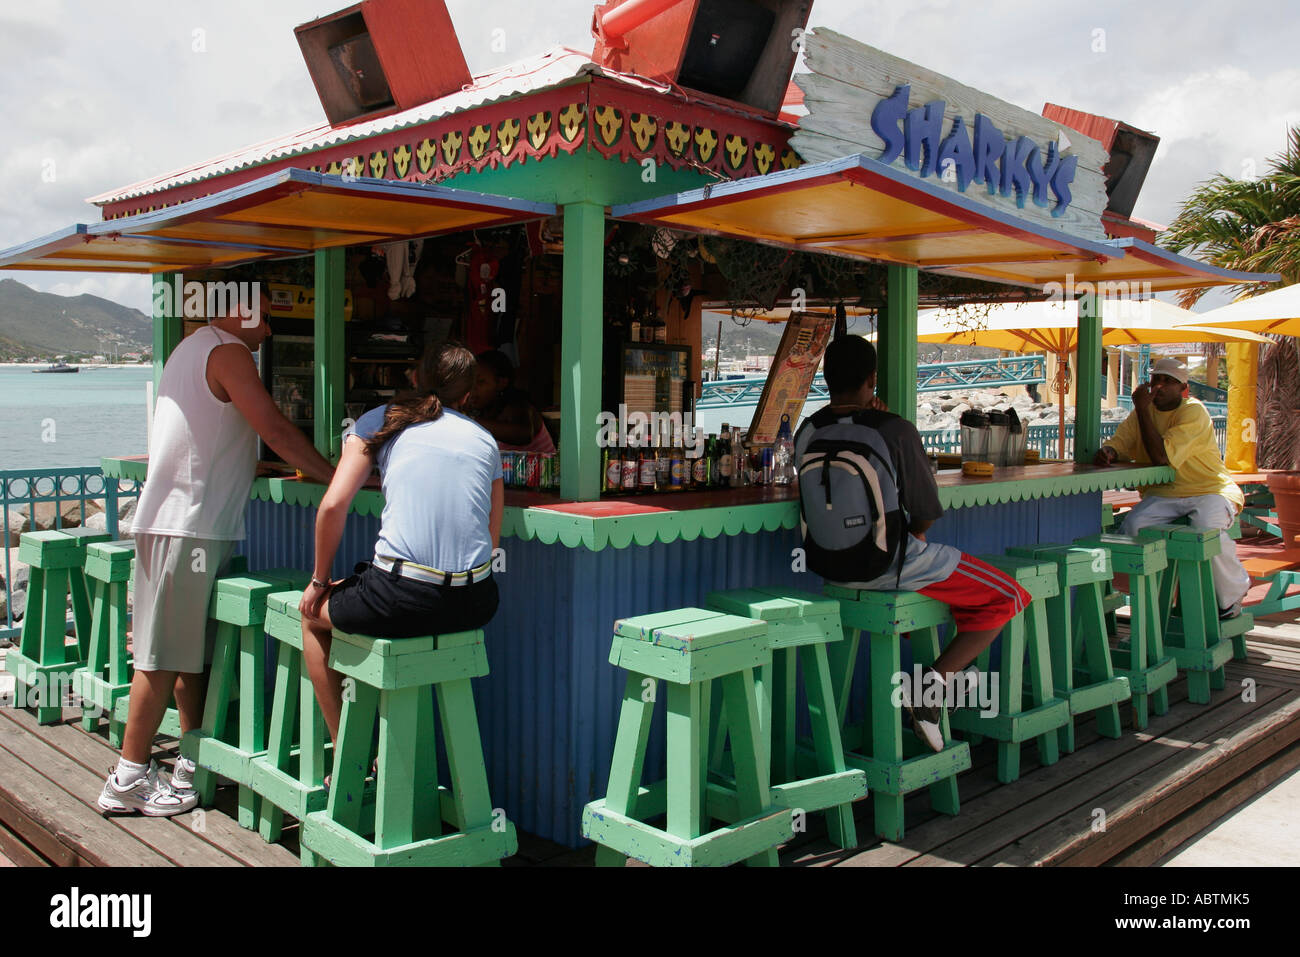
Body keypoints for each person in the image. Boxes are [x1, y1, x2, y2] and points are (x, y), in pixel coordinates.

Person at [99, 287, 334, 816]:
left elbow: (215, 438)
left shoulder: (191, 347)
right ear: (240, 308)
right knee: (160, 658)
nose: (270, 330)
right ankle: (127, 779)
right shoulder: (227, 351)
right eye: (268, 315)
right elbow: (273, 427)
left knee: (184, 654)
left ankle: (189, 759)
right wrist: (338, 476)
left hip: (185, 526)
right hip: (187, 526)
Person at [793, 335, 1030, 752]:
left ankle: (941, 677)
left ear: (826, 379)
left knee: (942, 589)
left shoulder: (806, 431)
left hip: (828, 571)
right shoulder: (895, 429)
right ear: (873, 379)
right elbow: (925, 513)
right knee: (1006, 595)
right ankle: (929, 692)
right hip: (889, 566)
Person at [298, 342, 503, 747]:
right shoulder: (486, 440)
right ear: (467, 395)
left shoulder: (382, 421)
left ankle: (347, 748)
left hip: (399, 599)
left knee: (310, 617)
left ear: (415, 379)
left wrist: (319, 580)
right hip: (476, 603)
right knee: (381, 592)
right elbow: (491, 539)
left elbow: (334, 504)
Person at [1094, 357, 1250, 619]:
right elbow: (1121, 440)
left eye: (1169, 381)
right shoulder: (1140, 414)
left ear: (1183, 389)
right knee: (1134, 527)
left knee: (1205, 532)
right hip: (1163, 493)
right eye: (1157, 380)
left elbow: (1162, 457)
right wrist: (1109, 451)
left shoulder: (1194, 411)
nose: (1160, 386)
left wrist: (1143, 409)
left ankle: (1231, 597)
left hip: (1208, 489)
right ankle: (1153, 597)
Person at [468, 349, 556, 453]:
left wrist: (470, 421)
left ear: (502, 383)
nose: (472, 388)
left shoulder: (518, 407)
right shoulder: (483, 412)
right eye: (470, 381)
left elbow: (523, 434)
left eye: (480, 382)